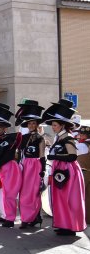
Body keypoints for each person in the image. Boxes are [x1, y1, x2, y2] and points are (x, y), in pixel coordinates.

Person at [43, 99, 86, 236]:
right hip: (60, 170)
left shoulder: (68, 138)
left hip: (69, 171)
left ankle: (71, 226)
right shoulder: (59, 137)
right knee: (60, 198)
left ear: (62, 125)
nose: (53, 127)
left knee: (69, 199)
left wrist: (55, 157)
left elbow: (72, 156)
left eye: (55, 125)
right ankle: (64, 224)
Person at [15, 100, 46, 229]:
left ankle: (33, 217)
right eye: (29, 123)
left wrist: (42, 170)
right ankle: (26, 218)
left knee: (33, 193)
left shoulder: (41, 138)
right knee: (23, 193)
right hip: (24, 166)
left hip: (35, 166)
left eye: (34, 123)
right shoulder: (24, 137)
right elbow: (18, 153)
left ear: (37, 124)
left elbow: (42, 155)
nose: (31, 125)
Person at [76, 126, 90, 225]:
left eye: (81, 134)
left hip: (84, 173)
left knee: (82, 197)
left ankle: (83, 219)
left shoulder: (82, 146)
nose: (80, 135)